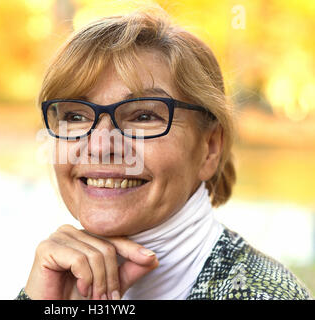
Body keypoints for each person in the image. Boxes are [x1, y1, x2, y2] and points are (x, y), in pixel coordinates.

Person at [16, 8, 312, 300]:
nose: (100, 147)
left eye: (143, 116)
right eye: (76, 116)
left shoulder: (259, 295)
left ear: (209, 147)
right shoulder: (56, 284)